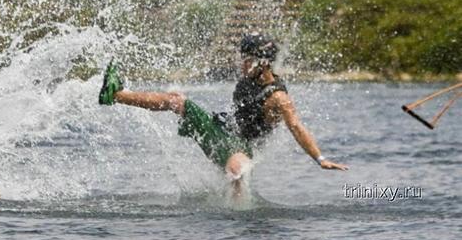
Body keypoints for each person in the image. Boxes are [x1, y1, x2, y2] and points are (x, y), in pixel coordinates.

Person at [98, 33, 348, 195]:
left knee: (238, 169)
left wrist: (320, 158)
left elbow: (296, 126)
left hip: (241, 147)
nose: (242, 64)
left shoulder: (278, 98)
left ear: (263, 63)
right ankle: (116, 94)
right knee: (176, 100)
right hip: (220, 130)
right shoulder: (251, 78)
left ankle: (236, 217)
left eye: (247, 59)